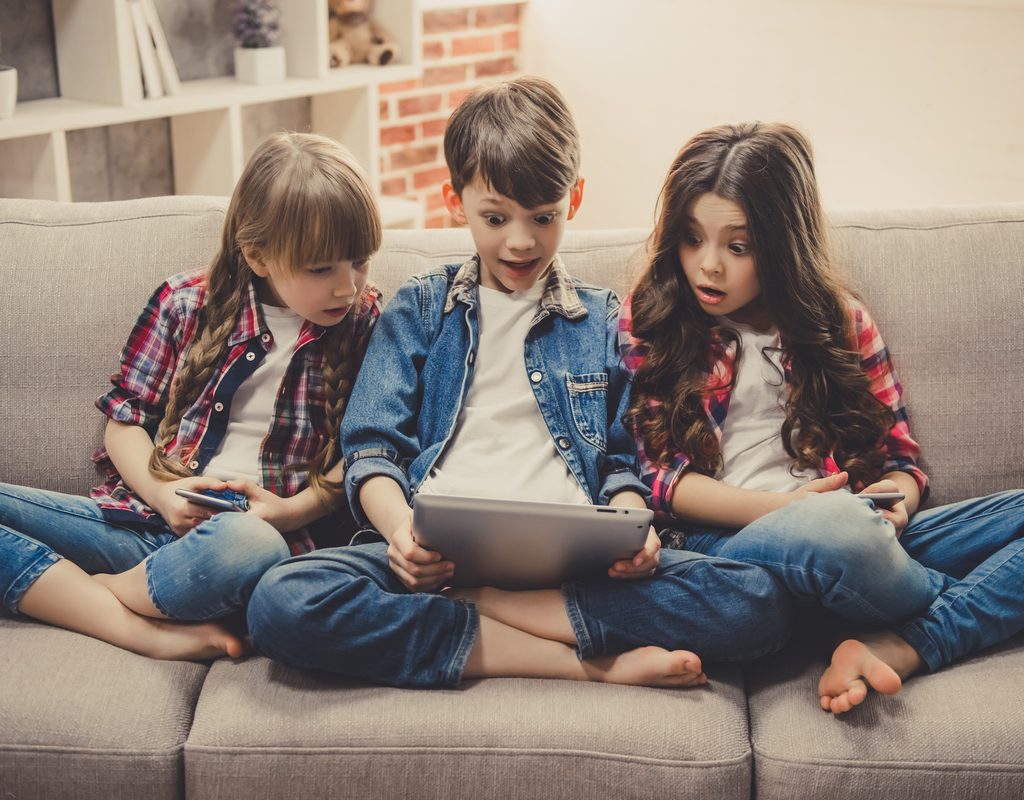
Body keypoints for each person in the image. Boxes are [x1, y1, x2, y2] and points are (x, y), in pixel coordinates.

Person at [247, 77, 795, 689]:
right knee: (281, 600)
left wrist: (632, 527)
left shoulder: (604, 319)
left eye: (543, 217)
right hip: (434, 563)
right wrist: (401, 534)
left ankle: (487, 608)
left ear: (575, 198)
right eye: (495, 217)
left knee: (759, 602)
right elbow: (371, 449)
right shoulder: (420, 309)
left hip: (578, 570)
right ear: (454, 201)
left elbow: (623, 463)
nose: (521, 240)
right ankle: (578, 663)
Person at [622, 121, 1024, 714]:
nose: (708, 266)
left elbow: (900, 462)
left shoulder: (842, 321)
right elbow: (659, 479)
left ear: (782, 243)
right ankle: (944, 607)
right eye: (691, 238)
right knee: (836, 531)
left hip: (857, 534)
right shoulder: (652, 320)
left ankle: (904, 643)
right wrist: (789, 511)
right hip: (728, 542)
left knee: (848, 529)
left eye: (738, 247)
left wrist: (896, 507)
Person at [0, 132, 382, 661]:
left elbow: (367, 453)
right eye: (322, 269)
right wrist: (163, 496)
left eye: (359, 261)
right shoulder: (184, 303)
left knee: (248, 544)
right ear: (258, 256)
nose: (348, 286)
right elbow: (124, 422)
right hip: (142, 526)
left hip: (253, 546)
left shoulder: (367, 324)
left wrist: (290, 513)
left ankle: (91, 597)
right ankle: (132, 624)